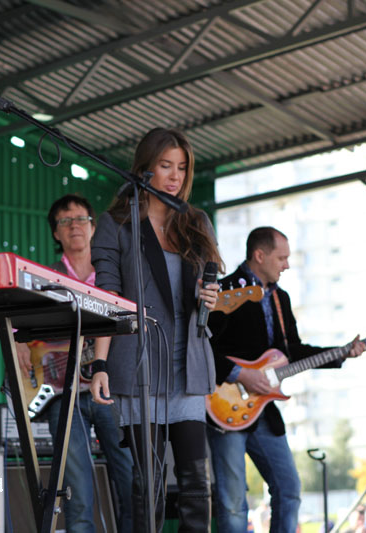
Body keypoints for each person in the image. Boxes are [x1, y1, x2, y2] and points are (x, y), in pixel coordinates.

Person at [90, 127, 222, 531]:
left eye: (182, 167)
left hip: (187, 365)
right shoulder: (118, 223)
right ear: (144, 168)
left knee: (196, 482)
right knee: (148, 483)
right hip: (140, 364)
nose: (175, 176)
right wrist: (99, 364)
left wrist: (209, 298)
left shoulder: (195, 222)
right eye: (165, 165)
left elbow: (205, 288)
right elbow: (108, 297)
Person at [207, 226, 366, 533]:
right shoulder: (225, 290)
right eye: (281, 258)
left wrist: (342, 352)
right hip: (224, 404)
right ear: (259, 255)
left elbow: (291, 351)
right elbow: (201, 346)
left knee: (289, 489)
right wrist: (241, 374)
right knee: (233, 503)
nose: (287, 265)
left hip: (263, 408)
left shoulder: (281, 298)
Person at [14, 194, 133, 532]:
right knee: (77, 497)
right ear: (56, 232)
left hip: (111, 390)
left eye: (81, 219)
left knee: (132, 483)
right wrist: (17, 341)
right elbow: (17, 319)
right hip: (61, 395)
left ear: (93, 227)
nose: (74, 226)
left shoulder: (114, 276)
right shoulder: (45, 278)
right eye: (65, 221)